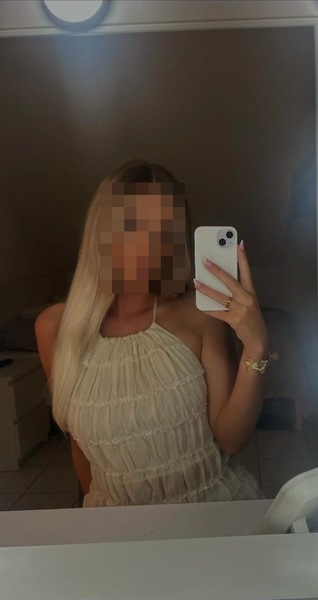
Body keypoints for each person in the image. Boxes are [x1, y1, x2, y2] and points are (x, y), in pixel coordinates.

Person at [35, 158, 273, 507]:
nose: (147, 244)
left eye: (163, 229)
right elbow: (81, 447)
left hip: (210, 511)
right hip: (113, 522)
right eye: (131, 226)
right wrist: (94, 520)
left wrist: (255, 346)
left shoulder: (200, 317)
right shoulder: (57, 329)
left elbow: (231, 439)